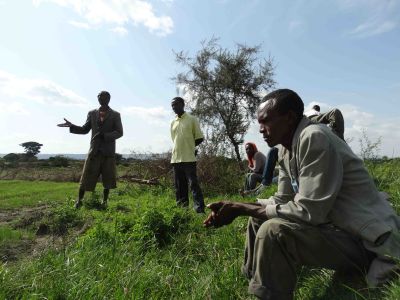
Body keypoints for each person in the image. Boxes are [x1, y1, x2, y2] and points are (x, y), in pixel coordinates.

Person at [203, 89, 400, 300]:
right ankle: (254, 286)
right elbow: (282, 200)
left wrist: (240, 208)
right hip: (337, 229)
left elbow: (308, 211)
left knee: (273, 231)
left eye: (266, 121)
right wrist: (236, 205)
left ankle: (269, 295)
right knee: (257, 219)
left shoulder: (314, 137)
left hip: (367, 242)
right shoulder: (287, 150)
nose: (261, 130)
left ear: (289, 118)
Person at [58, 91, 123, 208]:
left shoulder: (115, 115)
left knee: (108, 178)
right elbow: (84, 129)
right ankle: (79, 201)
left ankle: (105, 201)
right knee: (86, 176)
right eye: (99, 97)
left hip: (108, 151)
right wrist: (72, 126)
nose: (101, 99)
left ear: (109, 99)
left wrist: (105, 135)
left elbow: (119, 132)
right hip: (94, 151)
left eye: (103, 97)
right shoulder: (92, 113)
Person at [170, 96, 205, 213]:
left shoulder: (192, 119)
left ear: (182, 104)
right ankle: (182, 210)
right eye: (172, 106)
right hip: (175, 159)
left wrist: (190, 147)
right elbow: (174, 140)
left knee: (193, 184)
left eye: (175, 105)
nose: (174, 107)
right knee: (179, 186)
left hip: (189, 158)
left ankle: (199, 209)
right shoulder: (172, 122)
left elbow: (199, 138)